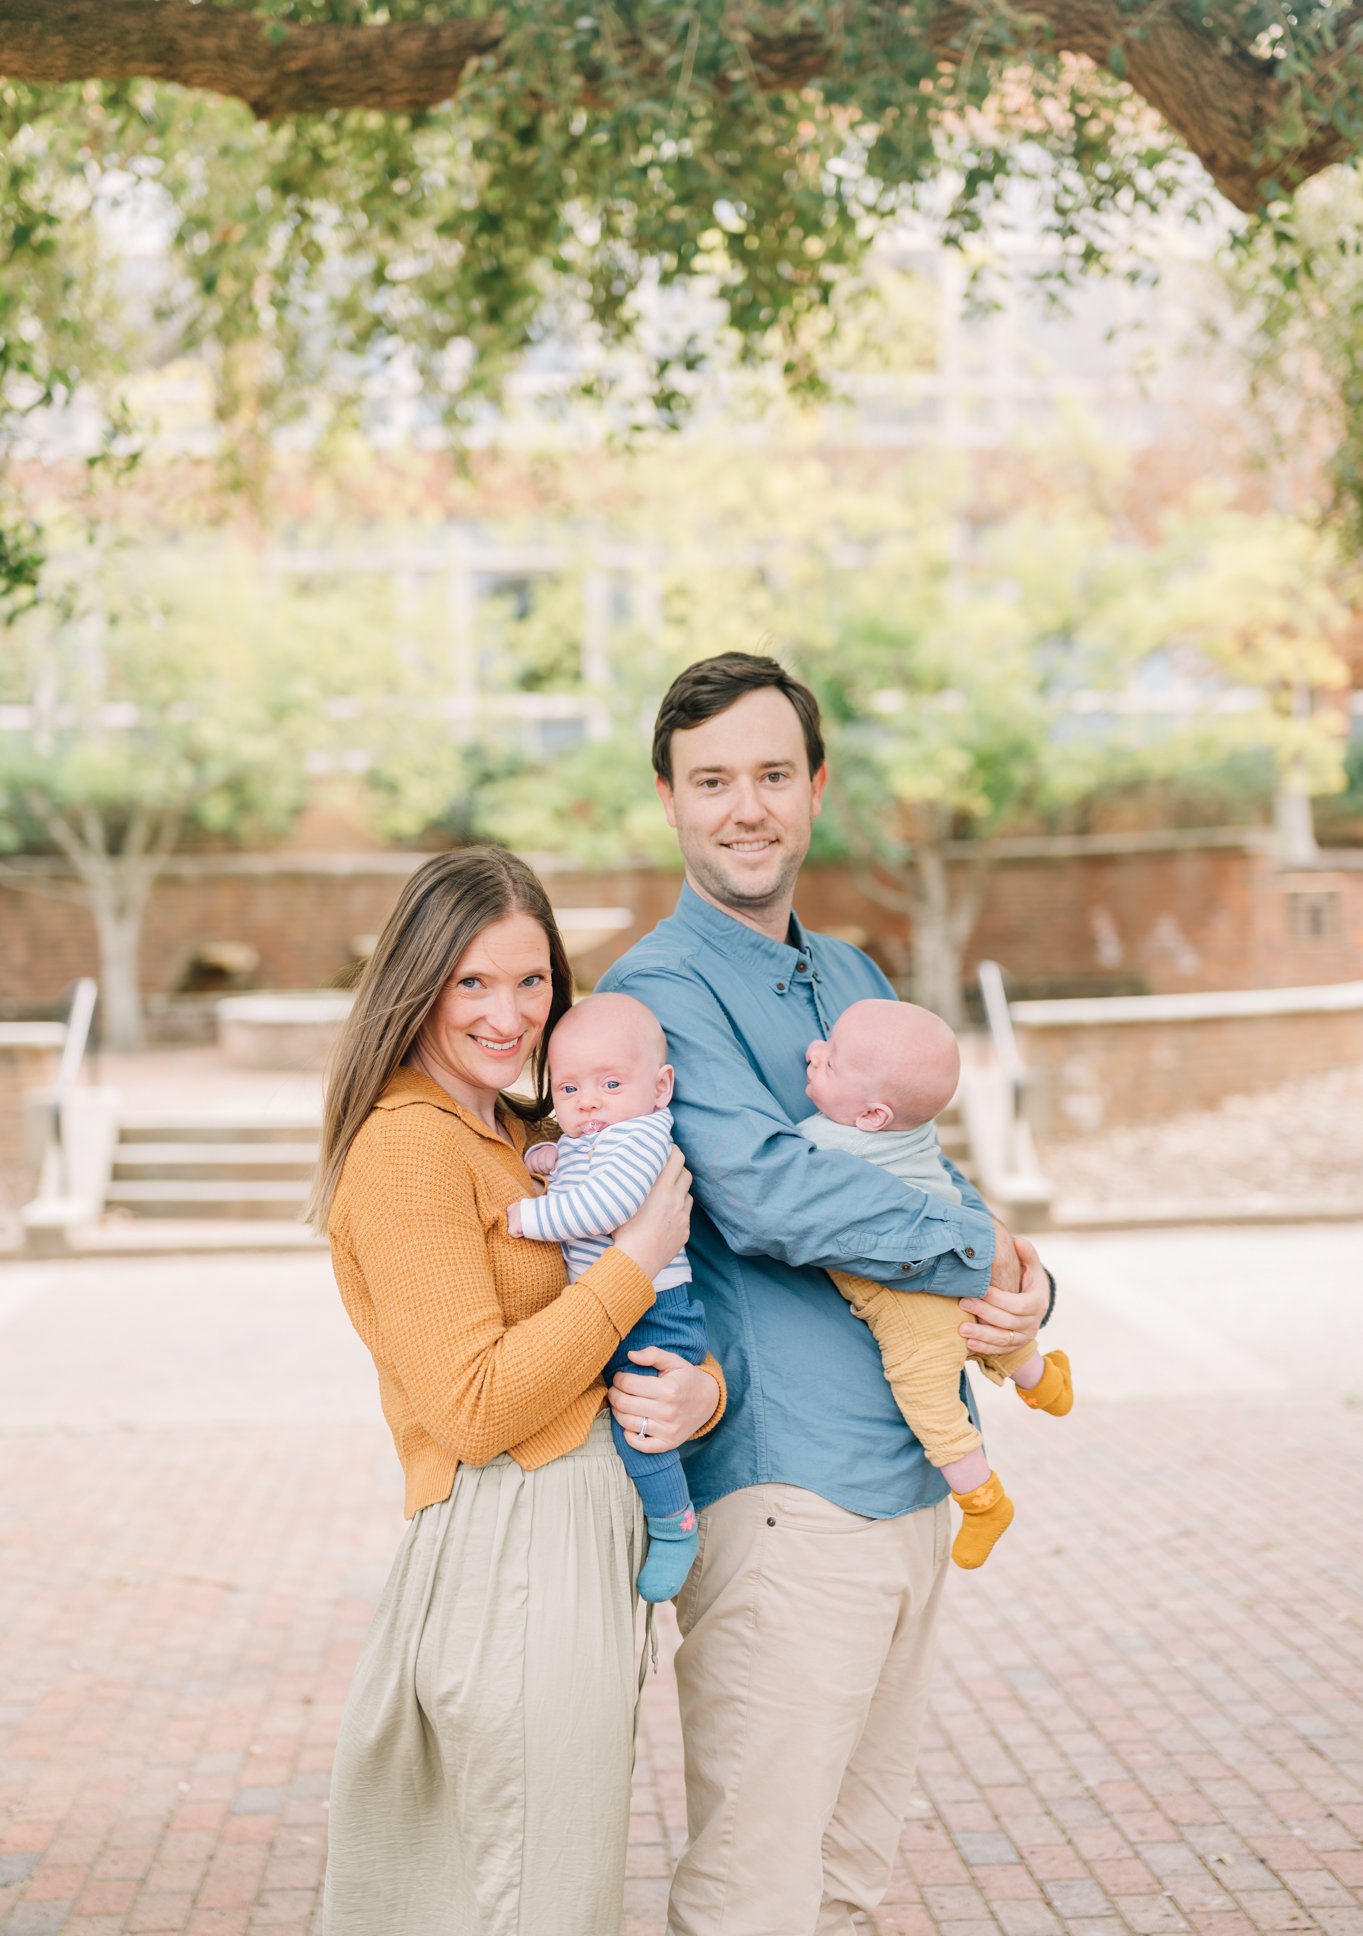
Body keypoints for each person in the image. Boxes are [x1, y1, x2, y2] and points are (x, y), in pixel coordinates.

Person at [598, 650, 1054, 1936]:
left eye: (772, 773)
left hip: (912, 1483)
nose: (745, 805)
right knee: (758, 1893)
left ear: (815, 786)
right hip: (785, 1502)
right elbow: (769, 1196)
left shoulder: (851, 972)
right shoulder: (657, 992)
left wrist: (1030, 1286)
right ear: (669, 799)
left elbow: (930, 1164)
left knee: (849, 1885)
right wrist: (974, 1249)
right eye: (712, 779)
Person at [310, 847, 724, 1936]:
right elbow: (477, 1405)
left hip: (570, 1539)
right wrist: (637, 1258)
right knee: (528, 1893)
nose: (509, 1014)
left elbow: (646, 1323)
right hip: (511, 1544)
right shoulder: (408, 1148)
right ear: (419, 982)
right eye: (473, 982)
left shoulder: (532, 1140)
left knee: (546, 1881)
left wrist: (701, 1391)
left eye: (532, 980)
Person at [802, 995, 1073, 1570]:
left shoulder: (825, 1141)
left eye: (828, 1062)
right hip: (954, 1254)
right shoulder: (912, 1130)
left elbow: (773, 1185)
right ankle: (1043, 1380)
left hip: (905, 1296)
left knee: (924, 1390)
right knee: (989, 1324)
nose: (811, 1051)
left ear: (872, 1114)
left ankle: (981, 1498)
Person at [507, 991, 708, 1601]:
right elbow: (579, 1159)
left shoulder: (641, 1135)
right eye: (568, 1090)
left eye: (610, 1083)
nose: (588, 1101)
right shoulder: (609, 1131)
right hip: (625, 1302)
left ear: (660, 1085)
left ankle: (674, 1524)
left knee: (637, 1423)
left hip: (654, 1315)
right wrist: (552, 1155)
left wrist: (528, 1216)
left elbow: (607, 1206)